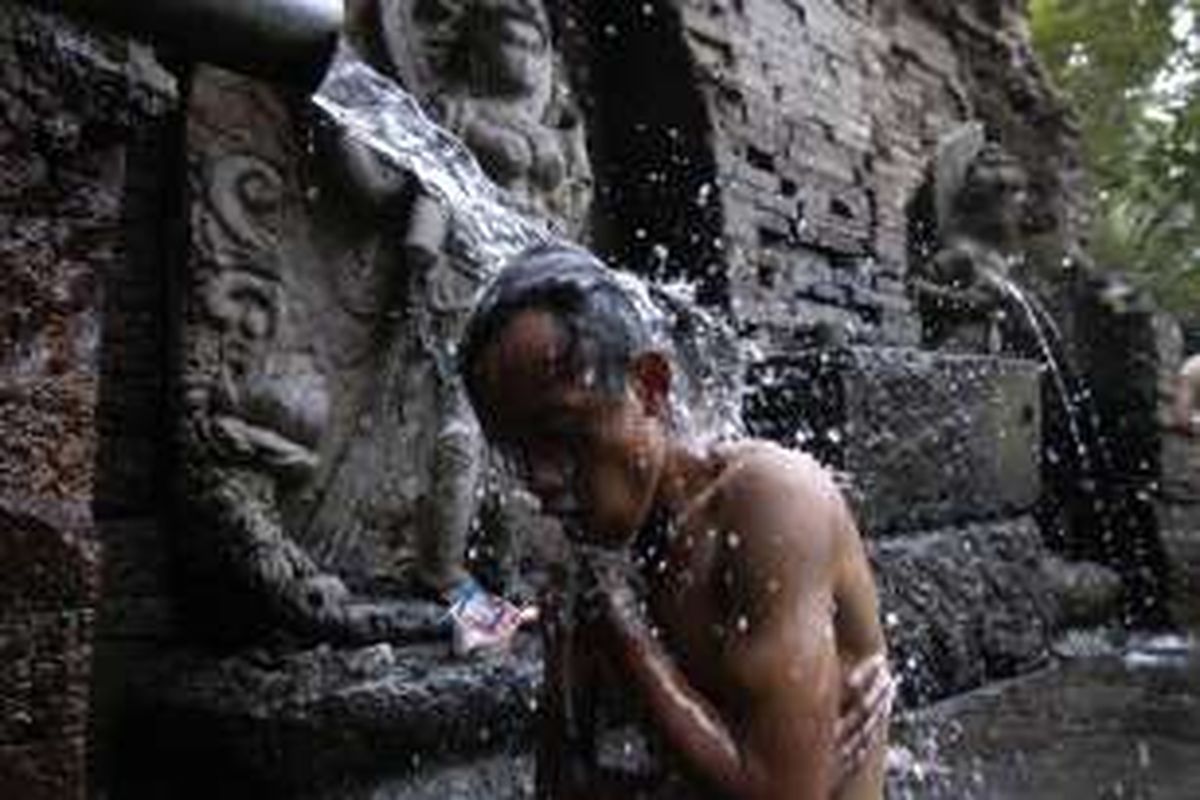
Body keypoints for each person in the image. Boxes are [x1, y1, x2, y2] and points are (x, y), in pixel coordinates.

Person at [458, 244, 894, 799]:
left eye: (560, 433)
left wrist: (622, 635)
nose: (540, 479)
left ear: (650, 387)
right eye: (517, 452)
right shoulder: (593, 552)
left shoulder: (769, 502)